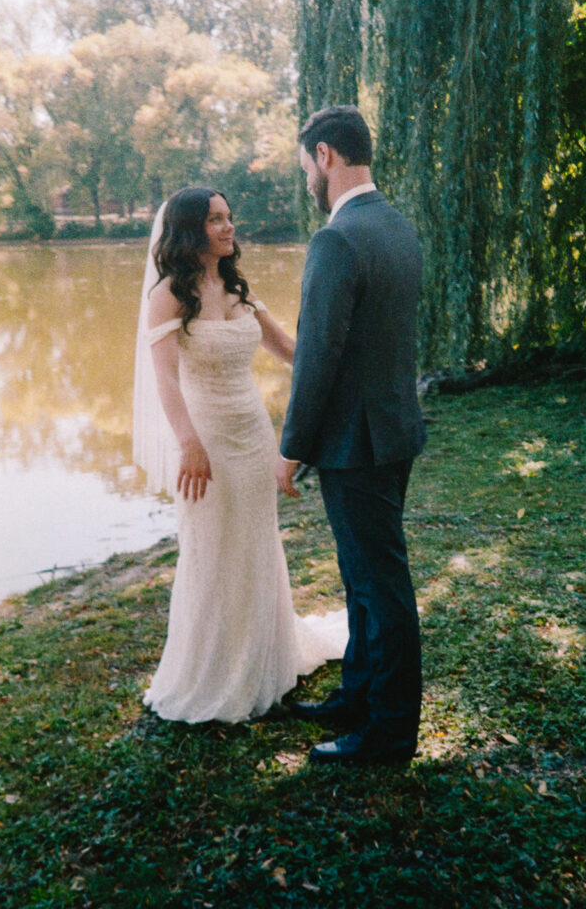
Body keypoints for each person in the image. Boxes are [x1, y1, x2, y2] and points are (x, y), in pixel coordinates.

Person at [133, 186, 346, 724]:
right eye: (214, 220)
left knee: (255, 544)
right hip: (204, 442)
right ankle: (213, 674)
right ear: (188, 230)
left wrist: (347, 362)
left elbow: (292, 353)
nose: (229, 227)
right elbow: (165, 381)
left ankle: (266, 665)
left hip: (252, 436)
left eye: (229, 217)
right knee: (211, 549)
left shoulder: (237, 289)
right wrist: (188, 444)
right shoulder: (168, 294)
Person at [276, 106, 427, 766]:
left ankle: (389, 732)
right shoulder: (397, 227)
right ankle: (356, 695)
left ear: (325, 156)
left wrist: (290, 450)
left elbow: (317, 357)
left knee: (381, 586)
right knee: (363, 579)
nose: (306, 173)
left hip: (355, 443)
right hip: (391, 431)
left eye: (306, 161)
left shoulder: (336, 239)